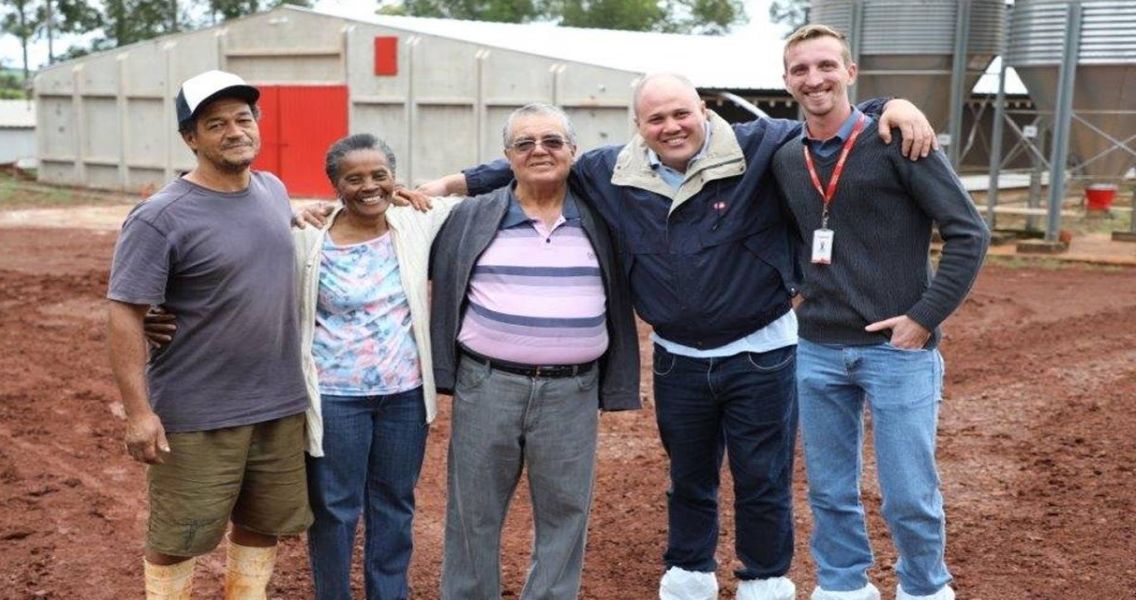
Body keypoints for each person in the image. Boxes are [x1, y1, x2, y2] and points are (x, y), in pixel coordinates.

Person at [415, 78, 936, 600]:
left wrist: (890, 103)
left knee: (763, 475)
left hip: (759, 349)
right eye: (656, 119)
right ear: (638, 129)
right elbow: (532, 159)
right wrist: (448, 185)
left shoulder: (757, 144)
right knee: (687, 475)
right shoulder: (611, 171)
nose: (671, 127)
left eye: (680, 114)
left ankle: (764, 576)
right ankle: (689, 569)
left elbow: (826, 116)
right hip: (674, 355)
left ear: (704, 111)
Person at [772, 25, 988, 600]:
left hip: (898, 350)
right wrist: (796, 288)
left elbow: (969, 232)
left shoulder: (898, 141)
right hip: (815, 348)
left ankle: (924, 587)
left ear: (850, 72)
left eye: (825, 66)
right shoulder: (785, 157)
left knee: (908, 491)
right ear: (786, 81)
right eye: (800, 70)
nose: (813, 79)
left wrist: (924, 317)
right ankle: (844, 585)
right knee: (828, 488)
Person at [106, 70, 311, 600]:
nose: (234, 131)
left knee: (264, 524)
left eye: (243, 119)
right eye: (214, 124)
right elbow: (125, 312)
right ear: (190, 139)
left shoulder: (273, 191)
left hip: (279, 404)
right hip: (198, 412)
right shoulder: (160, 217)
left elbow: (268, 245)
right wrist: (138, 412)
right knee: (181, 536)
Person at [427, 103, 641, 600]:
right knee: (472, 512)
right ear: (507, 157)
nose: (539, 151)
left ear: (573, 151)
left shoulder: (605, 218)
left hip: (573, 390)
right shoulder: (470, 216)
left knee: (566, 511)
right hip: (486, 385)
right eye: (524, 144)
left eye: (552, 142)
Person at [295, 134, 459, 599]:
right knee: (334, 507)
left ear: (395, 178)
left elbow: (499, 179)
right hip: (335, 397)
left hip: (404, 396)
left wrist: (438, 185)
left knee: (394, 504)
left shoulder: (416, 221)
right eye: (355, 178)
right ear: (334, 184)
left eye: (379, 176)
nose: (369, 187)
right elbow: (245, 242)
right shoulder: (308, 236)